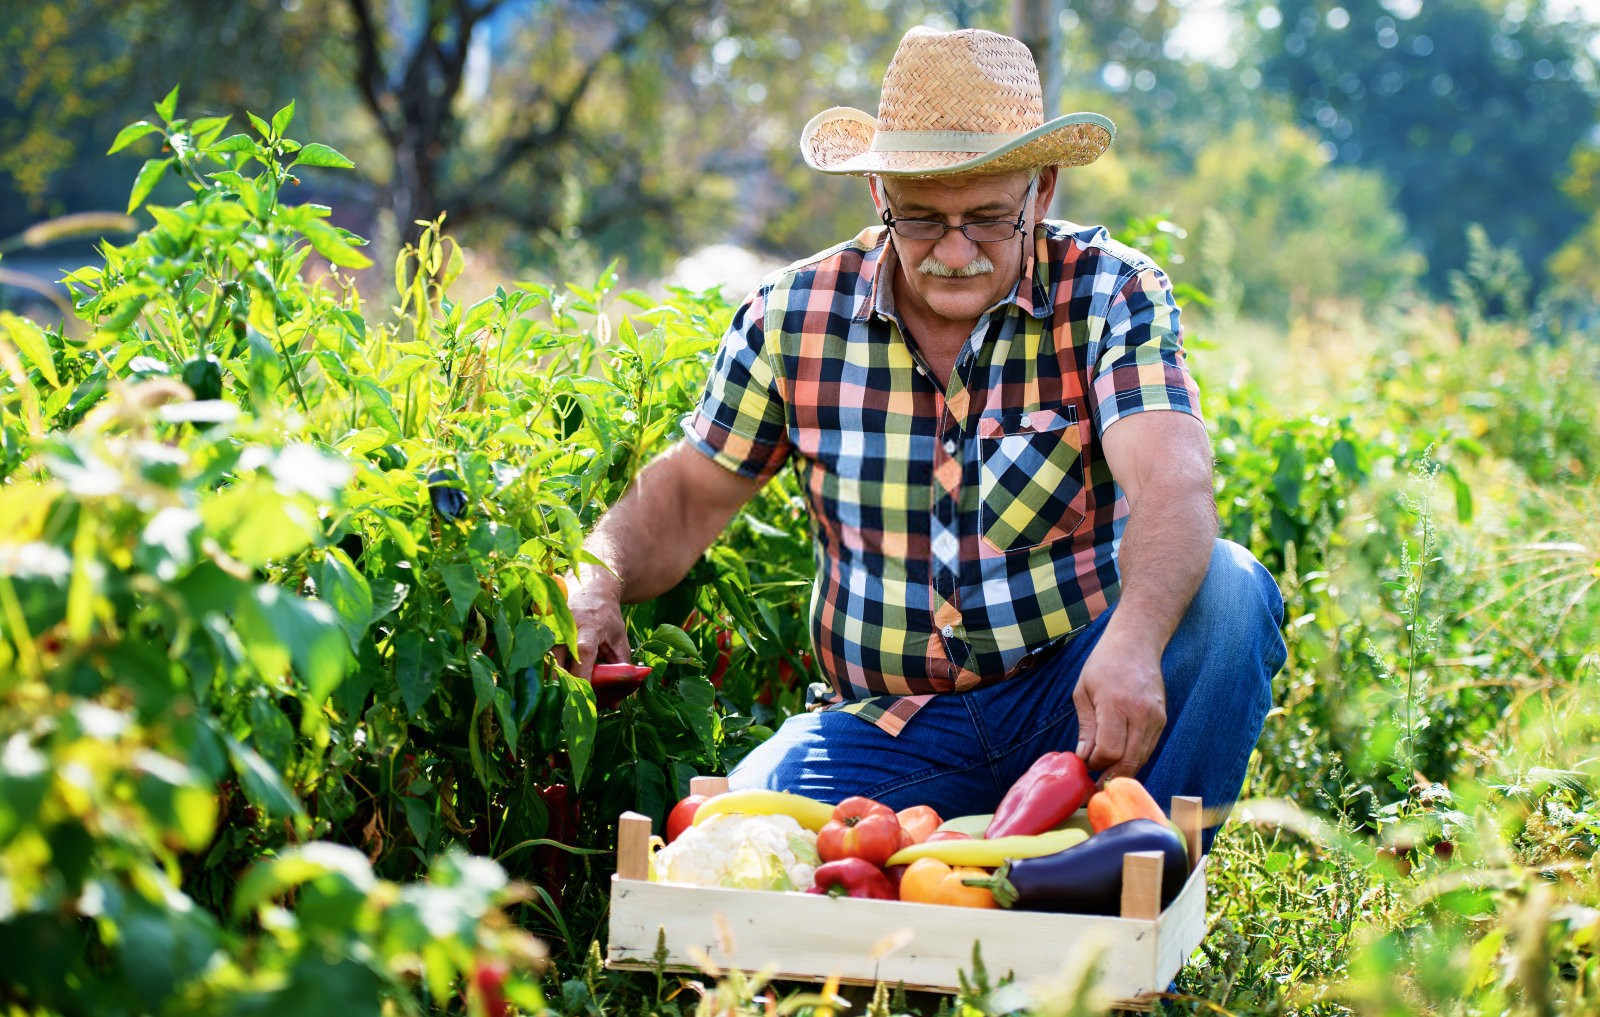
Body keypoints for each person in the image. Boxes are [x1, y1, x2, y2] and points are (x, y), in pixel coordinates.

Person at [561, 25, 1285, 848]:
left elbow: (1173, 486)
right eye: (920, 219)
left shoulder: (1109, 294)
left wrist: (1134, 643)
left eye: (985, 219)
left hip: (1076, 705)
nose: (951, 251)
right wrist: (597, 578)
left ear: (1041, 191)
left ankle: (1124, 900)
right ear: (878, 193)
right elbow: (689, 495)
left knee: (1229, 595)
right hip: (888, 733)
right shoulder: (794, 318)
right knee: (740, 832)